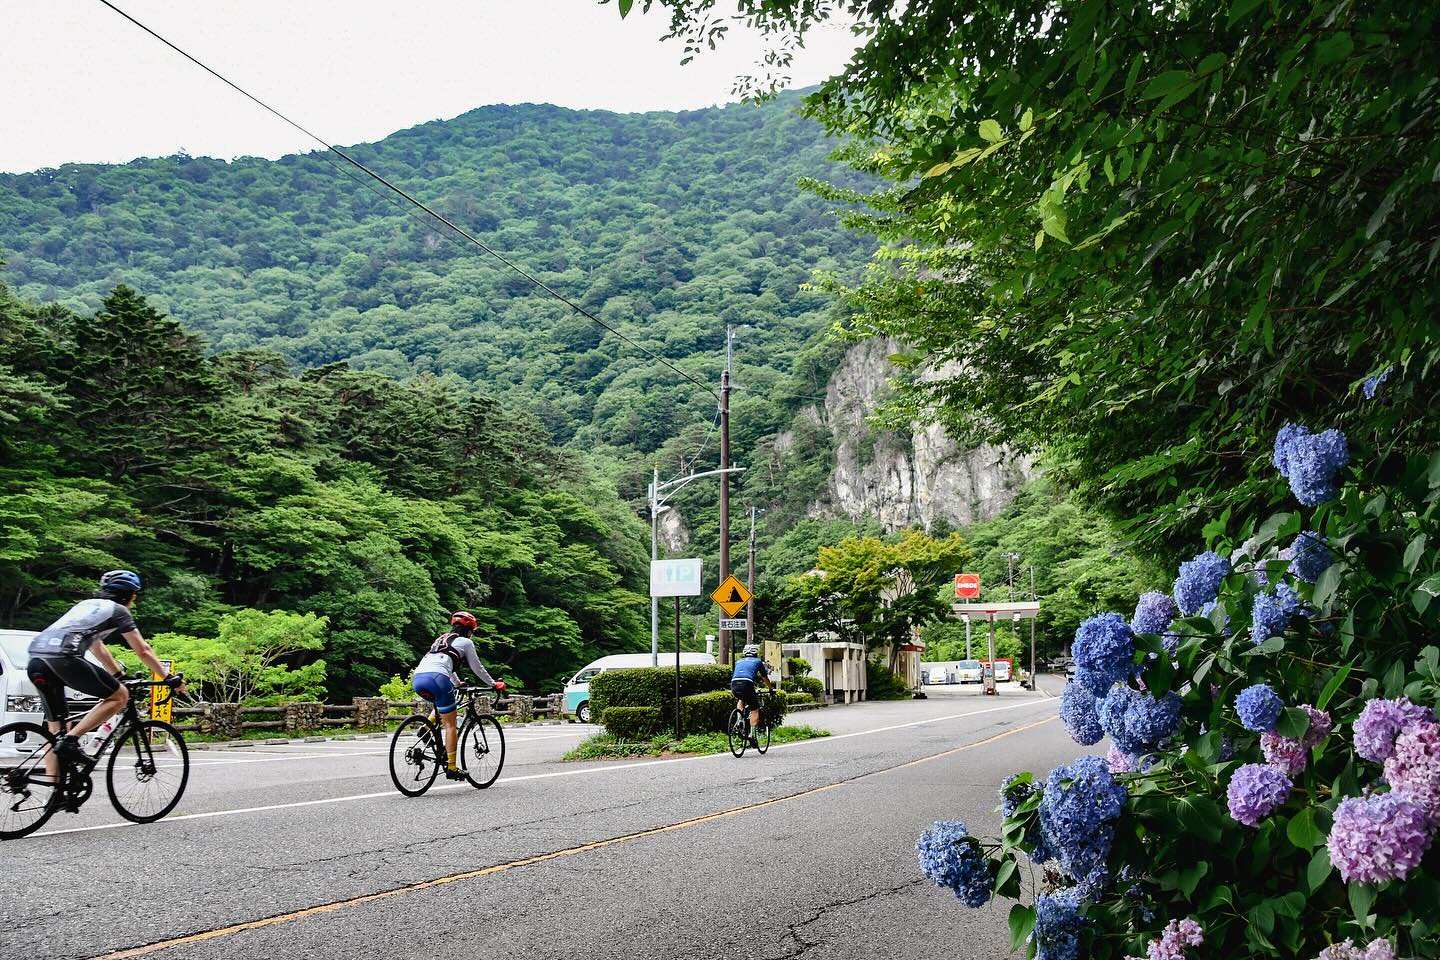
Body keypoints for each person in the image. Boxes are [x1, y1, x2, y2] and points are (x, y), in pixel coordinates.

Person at [26, 570, 183, 773]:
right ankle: (73, 740)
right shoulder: (118, 610)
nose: (133, 602)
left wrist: (118, 675)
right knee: (120, 696)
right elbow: (143, 650)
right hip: (64, 658)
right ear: (128, 595)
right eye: (134, 596)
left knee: (56, 731)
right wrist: (168, 678)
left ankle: (55, 796)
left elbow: (97, 646)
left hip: (36, 660)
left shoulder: (85, 606)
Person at [411, 612, 502, 780]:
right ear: (469, 631)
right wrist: (493, 684)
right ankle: (452, 767)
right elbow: (477, 668)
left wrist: (457, 683)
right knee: (451, 725)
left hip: (418, 678)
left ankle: (425, 728)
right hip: (438, 678)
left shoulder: (441, 639)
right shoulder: (466, 642)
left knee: (442, 704)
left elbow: (445, 664)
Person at [730, 643, 775, 747]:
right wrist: (771, 689)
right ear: (755, 653)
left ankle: (739, 720)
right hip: (747, 683)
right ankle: (752, 735)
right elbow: (765, 678)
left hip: (734, 684)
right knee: (754, 709)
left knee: (741, 699)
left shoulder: (738, 661)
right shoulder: (758, 661)